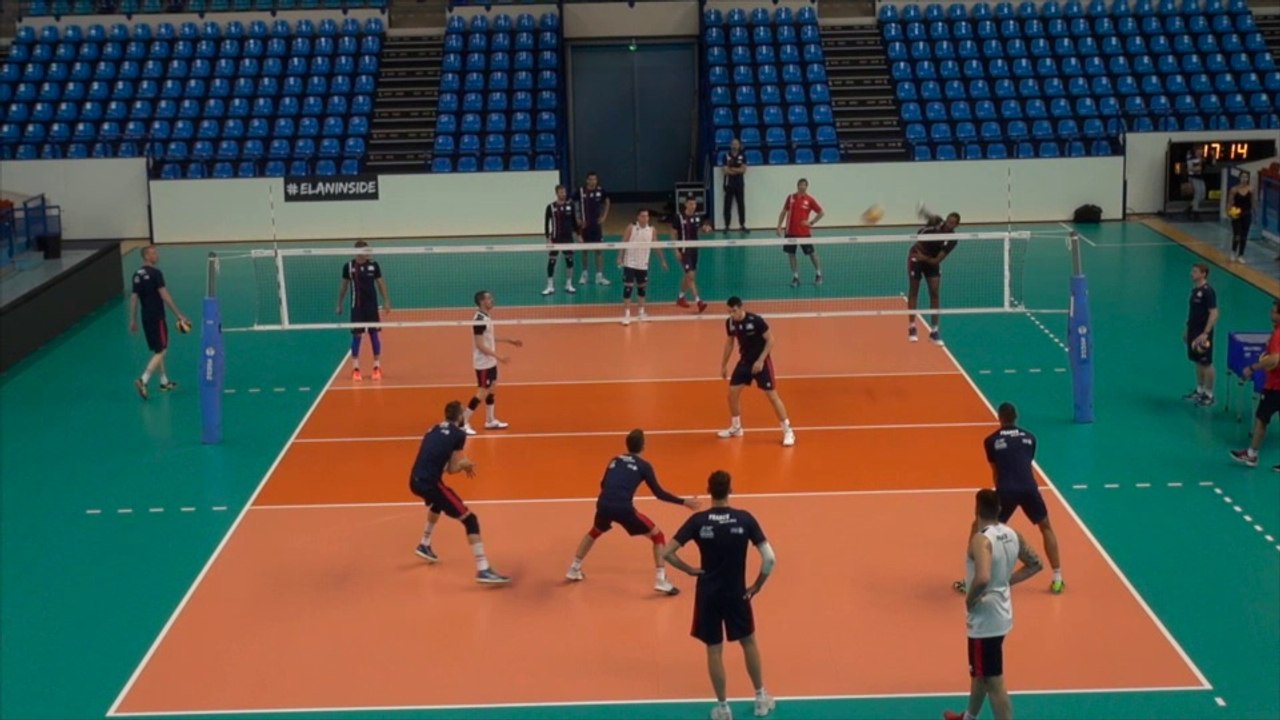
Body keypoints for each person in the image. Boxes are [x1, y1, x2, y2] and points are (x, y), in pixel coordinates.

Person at [664, 470, 777, 720]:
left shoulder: (698, 521)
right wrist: (757, 585)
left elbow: (667, 552)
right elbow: (769, 559)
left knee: (714, 650)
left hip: (708, 595)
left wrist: (690, 569)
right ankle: (760, 699)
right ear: (731, 490)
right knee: (748, 642)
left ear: (709, 490)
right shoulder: (745, 519)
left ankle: (723, 708)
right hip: (737, 594)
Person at [942, 489, 1044, 720]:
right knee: (980, 674)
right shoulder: (1012, 534)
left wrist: (970, 600)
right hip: (1003, 614)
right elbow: (1035, 564)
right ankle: (969, 717)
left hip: (984, 620)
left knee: (994, 681)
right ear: (999, 509)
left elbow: (983, 577)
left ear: (976, 510)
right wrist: (1006, 582)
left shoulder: (981, 539)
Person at [566, 429, 702, 594]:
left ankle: (574, 568)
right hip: (623, 507)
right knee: (658, 536)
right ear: (643, 446)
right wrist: (684, 502)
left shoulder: (614, 459)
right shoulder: (644, 466)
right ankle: (661, 579)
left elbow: (603, 484)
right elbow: (659, 494)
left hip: (603, 503)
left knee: (595, 531)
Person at [954, 403, 1064, 594]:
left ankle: (971, 579)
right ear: (1016, 417)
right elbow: (1027, 465)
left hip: (1006, 490)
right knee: (1046, 527)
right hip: (1030, 488)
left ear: (999, 417)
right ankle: (1057, 578)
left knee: (981, 530)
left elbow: (996, 472)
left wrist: (1000, 497)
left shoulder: (991, 441)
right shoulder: (1030, 438)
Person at [410, 400, 511, 584]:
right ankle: (483, 568)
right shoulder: (458, 434)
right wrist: (465, 465)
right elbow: (452, 469)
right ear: (459, 417)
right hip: (430, 483)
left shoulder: (432, 429)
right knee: (470, 519)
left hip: (414, 480)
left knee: (437, 503)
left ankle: (424, 543)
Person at [718, 296, 795, 447]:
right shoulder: (731, 323)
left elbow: (771, 340)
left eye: (734, 311)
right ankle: (736, 427)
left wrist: (760, 360)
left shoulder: (756, 321)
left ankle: (788, 431)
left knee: (772, 396)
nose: (732, 315)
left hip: (761, 363)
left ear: (741, 308)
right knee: (732, 393)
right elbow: (729, 343)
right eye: (729, 312)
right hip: (745, 362)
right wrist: (723, 365)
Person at [130, 245, 190, 400]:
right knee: (162, 351)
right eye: (153, 253)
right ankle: (143, 380)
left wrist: (132, 319)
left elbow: (134, 298)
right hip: (157, 317)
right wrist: (179, 315)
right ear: (146, 256)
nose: (156, 255)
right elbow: (165, 296)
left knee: (157, 349)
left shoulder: (137, 274)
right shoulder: (156, 274)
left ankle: (164, 382)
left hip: (145, 317)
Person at [1230, 299, 1280, 471]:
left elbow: (1274, 360)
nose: (1271, 314)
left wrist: (1253, 367)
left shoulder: (1278, 335)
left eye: (1274, 311)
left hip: (1276, 386)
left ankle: (1252, 455)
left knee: (1261, 419)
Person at [463, 291, 523, 435]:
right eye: (489, 298)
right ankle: (463, 422)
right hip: (483, 363)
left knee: (492, 389)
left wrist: (510, 341)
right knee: (482, 392)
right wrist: (499, 357)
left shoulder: (486, 316)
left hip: (490, 361)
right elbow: (480, 345)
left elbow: (489, 338)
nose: (492, 300)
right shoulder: (478, 320)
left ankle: (490, 420)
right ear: (482, 301)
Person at [336, 240, 392, 381]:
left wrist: (386, 301)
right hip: (357, 307)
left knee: (374, 335)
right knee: (357, 337)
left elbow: (380, 283)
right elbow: (344, 287)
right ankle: (355, 368)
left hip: (371, 307)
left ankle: (376, 367)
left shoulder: (374, 265)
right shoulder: (348, 267)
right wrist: (339, 303)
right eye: (366, 251)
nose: (368, 253)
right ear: (358, 252)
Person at [908, 203, 961, 346]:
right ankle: (912, 327)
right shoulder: (936, 222)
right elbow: (929, 216)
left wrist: (924, 259)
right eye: (948, 220)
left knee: (935, 293)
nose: (949, 223)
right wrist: (922, 211)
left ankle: (934, 331)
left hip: (930, 261)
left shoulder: (952, 239)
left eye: (952, 223)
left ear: (955, 226)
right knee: (914, 291)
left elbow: (938, 260)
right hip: (916, 256)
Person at [618, 208, 670, 326]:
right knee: (628, 288)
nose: (645, 218)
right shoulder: (631, 227)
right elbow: (623, 242)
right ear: (638, 217)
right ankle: (627, 315)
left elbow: (656, 245)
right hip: (630, 263)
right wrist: (620, 257)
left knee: (642, 289)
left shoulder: (651, 230)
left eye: (647, 216)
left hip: (643, 264)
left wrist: (662, 261)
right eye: (642, 216)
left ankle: (641, 312)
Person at [775, 178, 824, 287]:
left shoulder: (810, 200)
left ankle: (819, 274)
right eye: (800, 185)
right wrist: (779, 226)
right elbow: (783, 212)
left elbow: (821, 212)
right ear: (797, 186)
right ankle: (795, 277)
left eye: (804, 185)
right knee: (791, 254)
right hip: (790, 232)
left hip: (804, 233)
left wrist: (811, 222)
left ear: (807, 187)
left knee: (812, 253)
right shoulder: (790, 198)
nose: (802, 187)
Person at [1183, 263, 1219, 407]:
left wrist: (1206, 333)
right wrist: (1187, 329)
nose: (1192, 273)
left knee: (1206, 363)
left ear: (1203, 274)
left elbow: (1214, 313)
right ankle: (1200, 390)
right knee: (1197, 361)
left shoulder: (1208, 291)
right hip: (1193, 330)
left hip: (1203, 334)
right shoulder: (1195, 290)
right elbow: (1193, 313)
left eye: (1195, 271)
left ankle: (1209, 394)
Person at [673, 195, 712, 314]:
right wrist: (676, 250)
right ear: (685, 205)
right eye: (690, 204)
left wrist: (705, 229)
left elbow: (699, 230)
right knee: (690, 276)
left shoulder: (697, 217)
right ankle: (699, 301)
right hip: (684, 250)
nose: (693, 206)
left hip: (694, 250)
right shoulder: (678, 217)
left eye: (694, 204)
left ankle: (680, 297)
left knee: (689, 276)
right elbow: (674, 233)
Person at [575, 171, 611, 286]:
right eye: (590, 179)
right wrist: (577, 217)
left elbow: (607, 201)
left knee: (599, 251)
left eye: (594, 179)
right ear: (587, 180)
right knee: (584, 251)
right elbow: (572, 202)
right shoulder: (581, 191)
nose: (592, 181)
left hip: (596, 226)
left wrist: (604, 216)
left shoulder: (600, 191)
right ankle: (584, 275)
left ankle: (599, 276)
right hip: (585, 226)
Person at [543, 184, 578, 296]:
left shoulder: (570, 205)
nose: (563, 194)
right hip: (555, 239)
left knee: (570, 261)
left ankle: (569, 284)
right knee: (552, 262)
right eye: (561, 192)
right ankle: (550, 286)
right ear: (557, 193)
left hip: (568, 239)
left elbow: (574, 222)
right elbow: (546, 223)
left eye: (564, 192)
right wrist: (548, 238)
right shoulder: (550, 207)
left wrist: (578, 234)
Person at [722, 138, 748, 234]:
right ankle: (727, 226)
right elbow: (725, 170)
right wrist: (737, 170)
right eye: (733, 144)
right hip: (729, 184)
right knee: (727, 205)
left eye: (736, 144)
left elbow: (744, 170)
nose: (734, 146)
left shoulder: (743, 155)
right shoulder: (726, 156)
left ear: (739, 145)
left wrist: (731, 169)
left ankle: (742, 225)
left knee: (741, 204)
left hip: (739, 184)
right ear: (730, 145)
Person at [1227, 171, 1253, 263]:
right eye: (1242, 177)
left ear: (1248, 178)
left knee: (1244, 236)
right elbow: (1230, 203)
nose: (1244, 179)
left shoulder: (1251, 189)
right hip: (1237, 214)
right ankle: (1233, 252)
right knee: (1237, 235)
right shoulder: (1234, 189)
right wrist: (1229, 213)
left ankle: (1241, 255)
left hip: (1247, 214)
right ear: (1239, 178)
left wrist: (1254, 213)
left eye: (1246, 177)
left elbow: (1253, 202)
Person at [1185, 145, 1205, 218]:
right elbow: (1189, 169)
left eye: (1201, 150)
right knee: (1198, 193)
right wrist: (1197, 168)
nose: (1200, 151)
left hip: (1200, 178)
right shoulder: (1191, 158)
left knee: (1202, 195)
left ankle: (1190, 207)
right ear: (1195, 151)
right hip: (1193, 177)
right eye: (1199, 150)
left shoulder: (1202, 158)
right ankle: (1195, 211)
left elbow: (1209, 165)